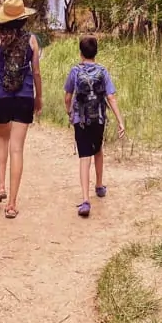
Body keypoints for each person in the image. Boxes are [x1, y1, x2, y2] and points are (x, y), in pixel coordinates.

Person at [0, 0, 42, 219]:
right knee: (17, 148)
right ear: (23, 18)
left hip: (0, 96)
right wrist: (38, 98)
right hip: (24, 96)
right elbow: (36, 73)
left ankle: (0, 186)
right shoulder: (32, 40)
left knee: (2, 139)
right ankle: (12, 204)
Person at [64, 35, 125, 218]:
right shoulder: (103, 71)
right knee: (98, 149)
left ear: (80, 53)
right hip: (98, 118)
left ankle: (85, 200)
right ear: (96, 52)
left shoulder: (75, 71)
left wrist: (69, 112)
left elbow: (68, 96)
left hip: (80, 119)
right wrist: (120, 120)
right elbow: (111, 97)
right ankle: (99, 185)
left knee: (84, 156)